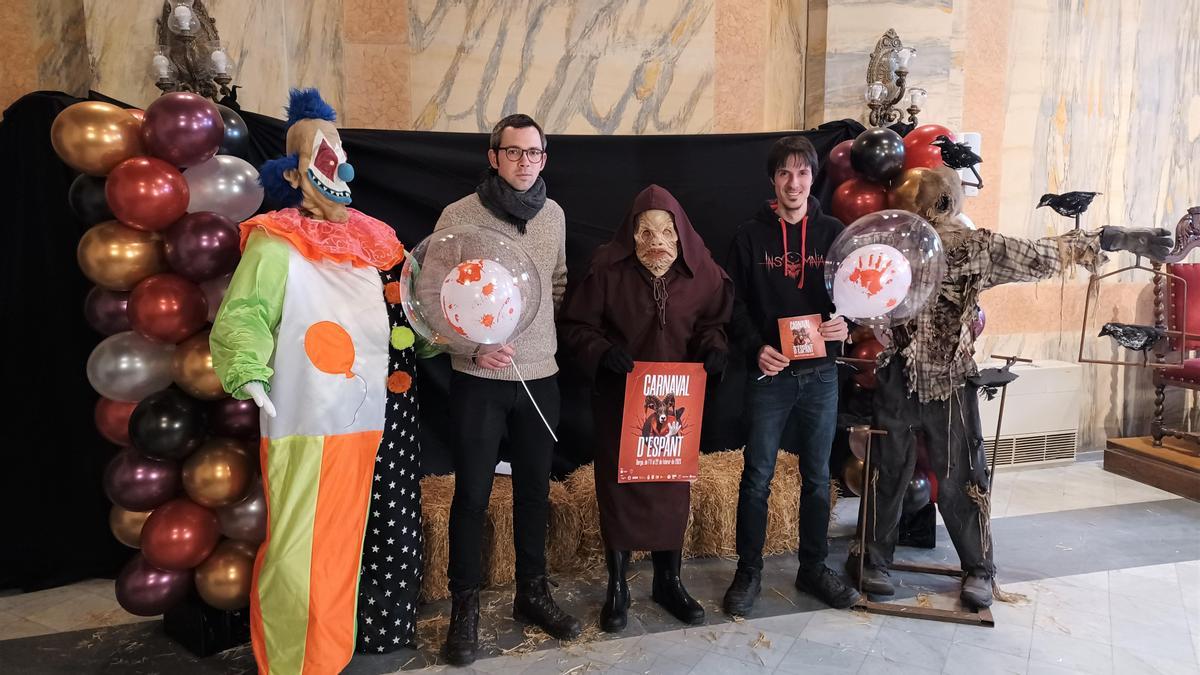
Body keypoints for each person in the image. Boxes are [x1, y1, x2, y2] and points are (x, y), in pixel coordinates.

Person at [852, 166, 1174, 609]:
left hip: (951, 380)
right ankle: (873, 559)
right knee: (886, 472)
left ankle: (979, 568)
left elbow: (1041, 253)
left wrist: (1111, 239)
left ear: (943, 207)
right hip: (897, 380)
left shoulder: (976, 249)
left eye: (917, 210)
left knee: (961, 477)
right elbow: (854, 289)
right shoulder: (888, 250)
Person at [210, 88, 413, 674]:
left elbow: (393, 320)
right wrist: (247, 370)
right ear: (296, 169)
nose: (332, 155)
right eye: (318, 148)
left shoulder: (371, 243)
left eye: (338, 145)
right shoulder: (276, 242)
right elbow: (245, 313)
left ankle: (328, 653)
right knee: (298, 547)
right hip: (303, 418)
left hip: (368, 417)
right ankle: (293, 662)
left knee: (344, 545)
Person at [436, 114, 579, 666]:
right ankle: (464, 608)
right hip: (478, 380)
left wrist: (536, 334)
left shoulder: (556, 215)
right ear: (493, 156)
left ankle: (532, 592)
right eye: (513, 152)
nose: (525, 162)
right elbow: (431, 294)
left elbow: (559, 282)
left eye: (534, 153)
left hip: (541, 377)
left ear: (545, 158)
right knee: (471, 495)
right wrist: (469, 347)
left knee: (534, 493)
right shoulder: (458, 216)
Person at [559, 184, 733, 633]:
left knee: (671, 490)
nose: (656, 242)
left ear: (680, 235)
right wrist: (600, 352)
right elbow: (577, 325)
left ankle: (667, 580)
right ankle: (617, 586)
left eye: (665, 232)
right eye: (645, 232)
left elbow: (713, 322)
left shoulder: (704, 274)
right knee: (619, 489)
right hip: (621, 402)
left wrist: (714, 348)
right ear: (631, 235)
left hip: (677, 403)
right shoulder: (604, 270)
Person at [722, 135, 862, 615]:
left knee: (818, 477)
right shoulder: (749, 237)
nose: (794, 183)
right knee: (757, 475)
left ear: (813, 178)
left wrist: (846, 323)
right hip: (770, 375)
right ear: (772, 180)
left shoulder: (834, 234)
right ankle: (749, 571)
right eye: (785, 173)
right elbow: (732, 307)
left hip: (821, 375)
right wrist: (756, 348)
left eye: (803, 173)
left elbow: (852, 297)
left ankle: (814, 567)